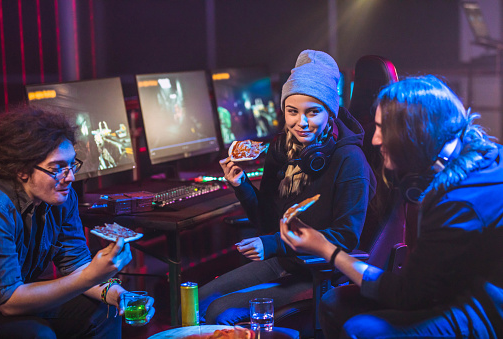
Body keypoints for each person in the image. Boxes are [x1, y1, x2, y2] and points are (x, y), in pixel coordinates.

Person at [280, 75, 503, 338]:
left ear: (414, 133)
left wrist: (326, 248)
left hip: (487, 310)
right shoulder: (480, 155)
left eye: (382, 128)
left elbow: (407, 294)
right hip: (459, 287)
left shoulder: (458, 203)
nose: (375, 140)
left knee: (361, 330)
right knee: (334, 303)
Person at [199, 49, 376, 325]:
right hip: (284, 260)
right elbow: (268, 222)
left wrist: (270, 244)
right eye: (292, 112)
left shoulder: (350, 159)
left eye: (313, 112)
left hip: (319, 271)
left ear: (330, 112)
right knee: (199, 299)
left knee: (218, 311)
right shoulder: (281, 149)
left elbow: (345, 237)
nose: (300, 123)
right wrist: (241, 185)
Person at [0, 105, 155, 339]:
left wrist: (119, 294)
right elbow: (8, 301)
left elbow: (76, 264)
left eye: (71, 165)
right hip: (4, 304)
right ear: (22, 170)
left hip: (14, 300)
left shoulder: (61, 198)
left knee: (105, 311)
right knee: (38, 334)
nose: (70, 177)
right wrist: (90, 276)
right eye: (57, 168)